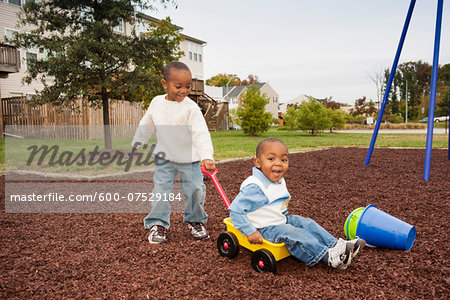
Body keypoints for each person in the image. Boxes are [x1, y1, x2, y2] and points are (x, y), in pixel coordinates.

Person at [229, 138, 365, 269]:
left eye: (284, 159)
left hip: (278, 220)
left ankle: (336, 245)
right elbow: (235, 210)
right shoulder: (256, 187)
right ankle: (328, 257)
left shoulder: (277, 181)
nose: (278, 163)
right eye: (271, 159)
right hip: (263, 228)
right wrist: (250, 231)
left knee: (306, 223)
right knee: (292, 232)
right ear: (257, 162)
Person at [132, 61, 215, 244]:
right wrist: (138, 142)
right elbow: (147, 124)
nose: (183, 90)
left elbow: (200, 132)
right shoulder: (157, 103)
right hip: (165, 157)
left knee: (195, 189)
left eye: (187, 86)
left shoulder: (190, 107)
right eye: (178, 86)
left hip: (189, 158)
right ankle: (158, 224)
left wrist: (207, 156)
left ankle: (195, 221)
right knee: (161, 190)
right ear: (165, 84)